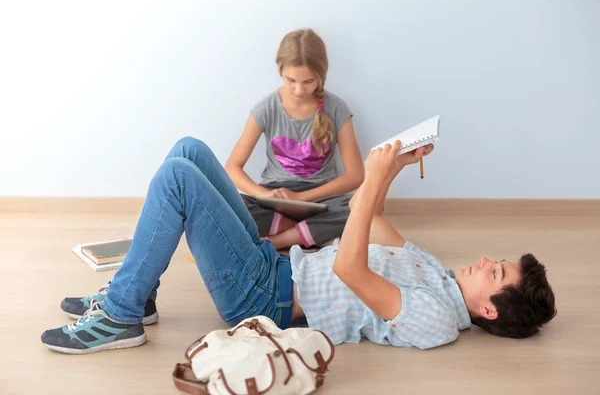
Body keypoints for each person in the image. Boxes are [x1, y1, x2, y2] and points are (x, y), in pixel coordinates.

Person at [41, 137, 556, 354]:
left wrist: (372, 177)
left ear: (489, 308)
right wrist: (392, 168)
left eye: (496, 273)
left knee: (178, 178)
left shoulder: (437, 322)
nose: (487, 262)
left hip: (265, 299)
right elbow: (368, 217)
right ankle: (139, 295)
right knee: (190, 151)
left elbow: (352, 271)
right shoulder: (435, 272)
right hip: (274, 264)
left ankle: (120, 315)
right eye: (498, 261)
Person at [224, 29, 365, 250]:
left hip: (321, 198)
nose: (299, 90)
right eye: (291, 80)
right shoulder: (265, 108)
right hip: (275, 197)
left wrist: (302, 198)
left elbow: (356, 175)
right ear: (280, 71)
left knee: (364, 205)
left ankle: (277, 240)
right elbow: (232, 168)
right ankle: (308, 231)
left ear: (321, 74)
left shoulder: (337, 108)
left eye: (308, 81)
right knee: (229, 206)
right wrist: (265, 195)